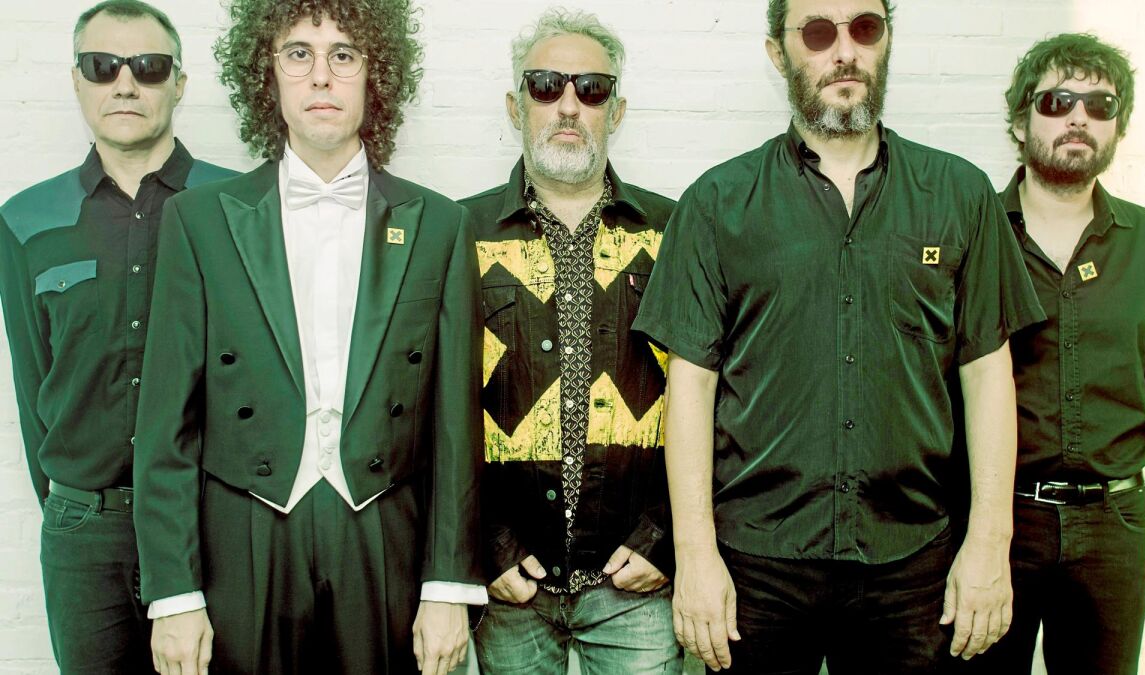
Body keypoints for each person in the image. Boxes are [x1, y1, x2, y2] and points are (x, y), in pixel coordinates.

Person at [632, 0, 1046, 671]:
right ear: (778, 53)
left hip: (912, 561)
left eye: (865, 28)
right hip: (756, 565)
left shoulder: (960, 194)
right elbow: (691, 389)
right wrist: (696, 555)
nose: (844, 51)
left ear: (887, 42)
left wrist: (989, 544)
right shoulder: (716, 202)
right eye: (818, 32)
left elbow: (988, 375)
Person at [131, 1, 485, 673]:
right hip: (242, 528)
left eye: (343, 55)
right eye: (299, 54)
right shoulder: (198, 221)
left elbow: (456, 426)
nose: (321, 76)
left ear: (376, 75)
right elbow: (166, 423)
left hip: (384, 524)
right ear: (267, 75)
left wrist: (447, 584)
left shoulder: (440, 224)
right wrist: (173, 592)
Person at [0, 2, 233, 672]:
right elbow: (33, 385)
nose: (125, 84)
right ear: (77, 80)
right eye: (102, 66)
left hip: (213, 523)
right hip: (84, 537)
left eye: (149, 67)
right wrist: (75, 506)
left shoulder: (239, 206)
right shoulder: (26, 222)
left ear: (179, 83)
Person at [959, 33, 1145, 675]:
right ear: (1021, 120)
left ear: (1118, 126)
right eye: (1057, 100)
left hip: (1114, 529)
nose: (1078, 117)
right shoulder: (972, 234)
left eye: (1100, 105)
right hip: (995, 522)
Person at [459, 8, 682, 674]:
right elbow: (435, 406)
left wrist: (666, 540)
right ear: (515, 105)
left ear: (616, 111)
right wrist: (488, 546)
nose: (567, 105)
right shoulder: (459, 233)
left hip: (637, 585)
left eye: (591, 89)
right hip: (510, 585)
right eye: (545, 85)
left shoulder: (674, 233)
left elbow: (715, 399)